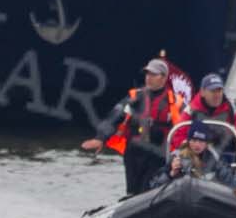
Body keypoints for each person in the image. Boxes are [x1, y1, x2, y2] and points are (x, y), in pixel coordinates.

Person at [80, 56, 186, 196]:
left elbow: (186, 128)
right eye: (147, 74)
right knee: (132, 192)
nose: (148, 77)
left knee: (150, 190)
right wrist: (101, 137)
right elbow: (115, 116)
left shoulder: (175, 102)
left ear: (164, 77)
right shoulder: (135, 97)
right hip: (134, 153)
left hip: (158, 154)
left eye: (153, 74)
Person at [166, 122, 236, 206]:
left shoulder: (213, 158)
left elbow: (229, 176)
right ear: (189, 141)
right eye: (194, 140)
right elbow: (156, 184)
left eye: (201, 141)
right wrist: (171, 174)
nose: (197, 145)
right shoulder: (177, 157)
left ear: (206, 143)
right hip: (178, 202)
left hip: (206, 202)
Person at [178, 71, 236, 157]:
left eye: (219, 90)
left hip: (226, 154)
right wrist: (186, 149)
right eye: (213, 91)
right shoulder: (191, 110)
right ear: (202, 92)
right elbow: (179, 134)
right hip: (198, 155)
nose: (217, 95)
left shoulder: (233, 109)